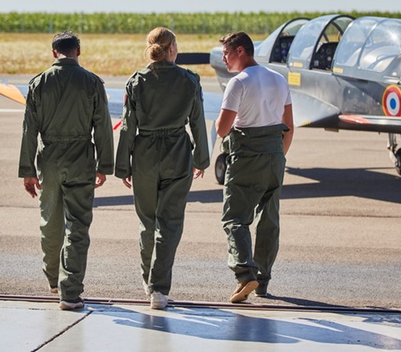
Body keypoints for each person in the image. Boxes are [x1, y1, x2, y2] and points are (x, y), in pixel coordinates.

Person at [115, 27, 210, 310]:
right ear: (172, 49)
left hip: (144, 154)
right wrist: (201, 159)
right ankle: (159, 289)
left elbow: (128, 126)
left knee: (147, 221)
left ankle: (149, 281)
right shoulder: (190, 79)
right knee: (170, 223)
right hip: (177, 152)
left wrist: (123, 166)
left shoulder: (136, 81)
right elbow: (197, 122)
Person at [19, 31, 115, 310]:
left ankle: (52, 280)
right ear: (78, 51)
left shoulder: (38, 83)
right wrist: (104, 165)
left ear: (53, 53)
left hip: (48, 158)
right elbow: (103, 127)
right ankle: (70, 292)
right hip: (81, 158)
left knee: (50, 221)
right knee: (78, 226)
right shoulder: (92, 82)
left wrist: (28, 170)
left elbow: (29, 130)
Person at [214, 31, 294, 303]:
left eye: (226, 52)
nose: (223, 58)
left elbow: (224, 129)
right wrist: (278, 156)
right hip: (274, 156)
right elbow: (289, 125)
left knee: (235, 218)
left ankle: (245, 273)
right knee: (269, 220)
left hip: (247, 156)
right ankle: (262, 281)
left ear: (240, 51)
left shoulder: (238, 83)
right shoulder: (279, 79)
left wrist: (217, 124)